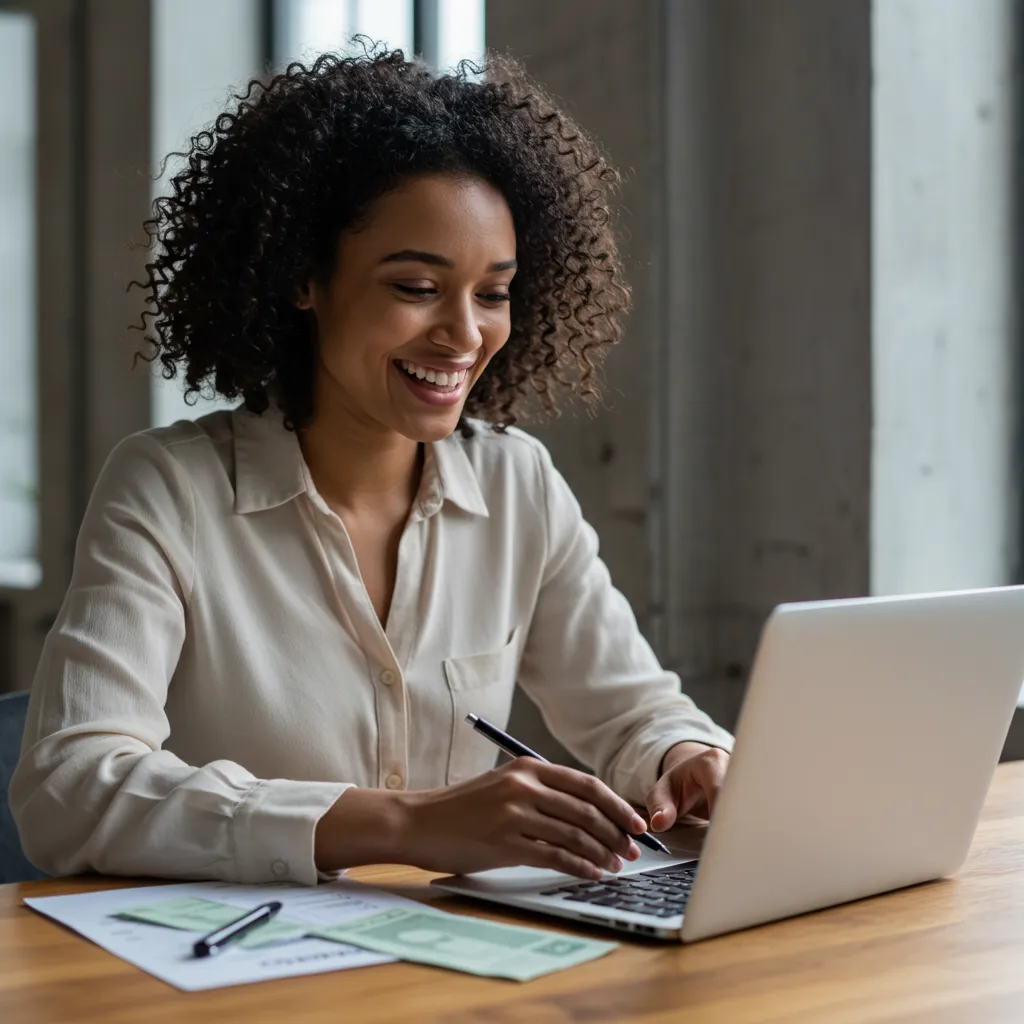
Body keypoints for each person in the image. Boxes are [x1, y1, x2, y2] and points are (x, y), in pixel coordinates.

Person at [11, 49, 733, 886]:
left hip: (450, 961)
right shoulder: (168, 491)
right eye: (418, 286)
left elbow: (632, 709)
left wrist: (685, 756)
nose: (464, 335)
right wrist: (405, 822)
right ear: (304, 279)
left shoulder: (517, 486)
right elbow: (69, 790)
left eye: (492, 293)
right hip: (236, 977)